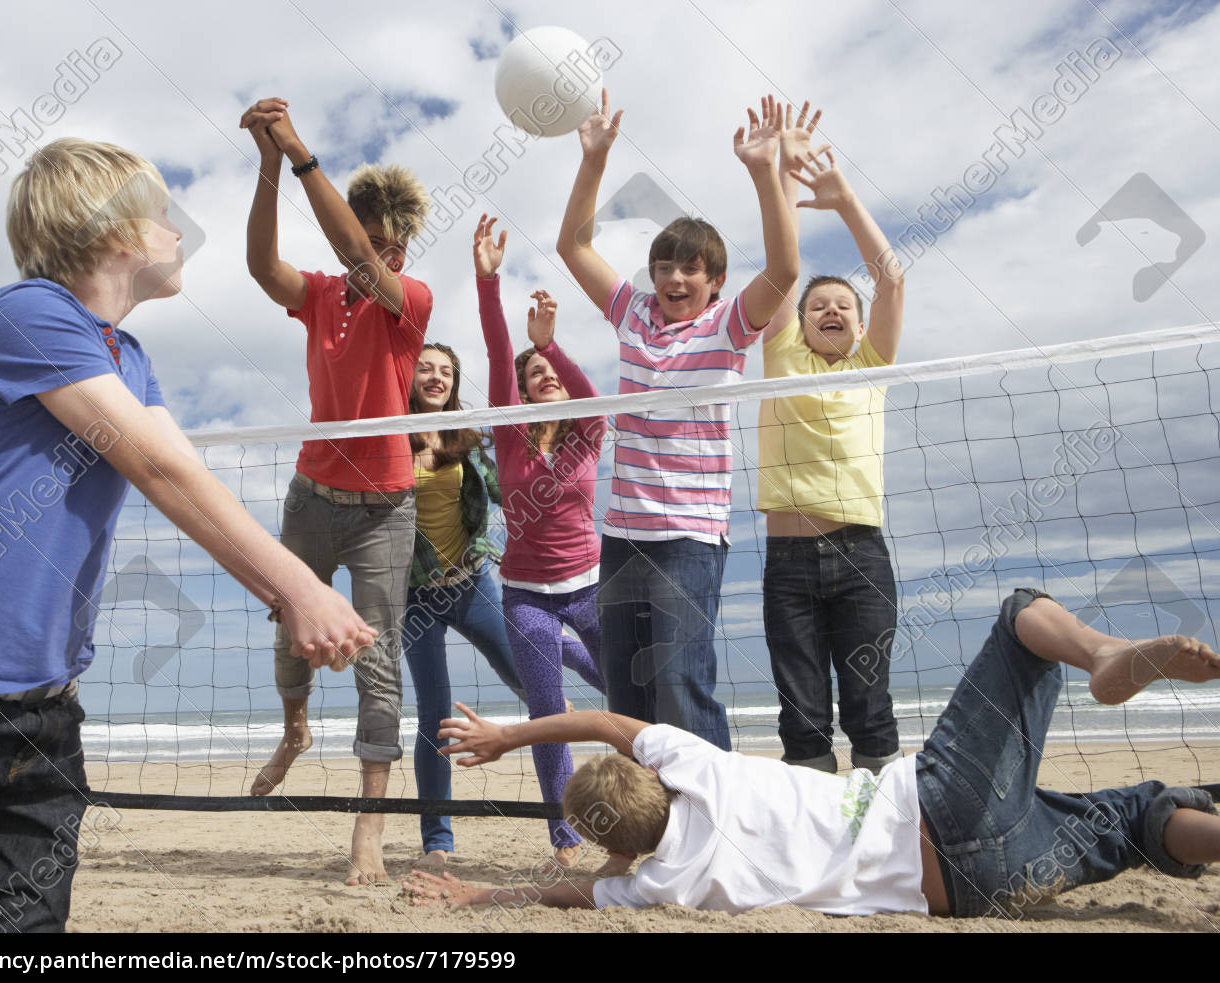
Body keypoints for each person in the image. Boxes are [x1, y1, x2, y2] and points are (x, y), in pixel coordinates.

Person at [0, 137, 374, 933]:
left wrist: (288, 591)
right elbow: (156, 467)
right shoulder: (27, 313)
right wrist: (297, 586)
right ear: (113, 232)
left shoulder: (133, 357)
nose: (179, 231)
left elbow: (190, 482)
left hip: (47, 714)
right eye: (163, 215)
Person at [406, 589, 1220, 916]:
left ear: (615, 845)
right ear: (654, 770)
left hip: (975, 891)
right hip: (933, 803)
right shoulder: (702, 768)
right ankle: (1103, 652)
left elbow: (568, 893)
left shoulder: (661, 883)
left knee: (1133, 819)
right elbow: (608, 721)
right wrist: (510, 733)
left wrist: (480, 895)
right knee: (1018, 615)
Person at [555, 93, 799, 750]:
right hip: (622, 537)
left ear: (714, 280)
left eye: (689, 266)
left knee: (680, 687)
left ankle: (718, 832)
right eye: (664, 265)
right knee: (626, 696)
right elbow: (570, 244)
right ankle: (638, 836)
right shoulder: (633, 313)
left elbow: (785, 270)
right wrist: (594, 159)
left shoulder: (727, 325)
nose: (673, 275)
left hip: (690, 539)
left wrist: (763, 172)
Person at [240, 97, 431, 886]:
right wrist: (267, 167)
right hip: (312, 498)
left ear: (402, 251)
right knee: (292, 634)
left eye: (388, 249)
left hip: (385, 508)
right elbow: (261, 268)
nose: (375, 258)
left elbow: (354, 253)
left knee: (378, 662)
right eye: (370, 243)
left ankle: (369, 836)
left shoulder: (408, 302)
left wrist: (301, 150)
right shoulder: (319, 295)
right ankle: (294, 730)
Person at [757, 113, 907, 774]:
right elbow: (782, 267)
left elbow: (893, 277)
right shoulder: (783, 351)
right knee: (803, 716)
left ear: (859, 319)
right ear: (801, 319)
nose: (833, 310)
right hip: (789, 558)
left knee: (869, 708)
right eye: (820, 303)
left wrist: (844, 198)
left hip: (860, 555)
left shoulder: (872, 361)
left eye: (845, 303)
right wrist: (780, 173)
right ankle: (815, 843)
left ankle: (886, 839)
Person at [475, 216, 608, 867]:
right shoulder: (508, 435)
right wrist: (487, 279)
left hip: (589, 586)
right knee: (548, 711)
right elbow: (501, 354)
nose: (542, 378)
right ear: (522, 391)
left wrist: (550, 346)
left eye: (547, 373)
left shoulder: (586, 433)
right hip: (526, 592)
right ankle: (565, 838)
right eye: (533, 375)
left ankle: (572, 651)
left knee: (628, 689)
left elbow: (588, 396)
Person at [403, 340, 528, 868]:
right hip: (413, 597)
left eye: (446, 371)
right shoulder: (385, 436)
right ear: (408, 378)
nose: (436, 377)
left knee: (534, 683)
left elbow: (508, 489)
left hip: (473, 582)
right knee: (435, 716)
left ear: (455, 382)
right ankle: (438, 842)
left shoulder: (471, 435)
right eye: (426, 368)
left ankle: (568, 824)